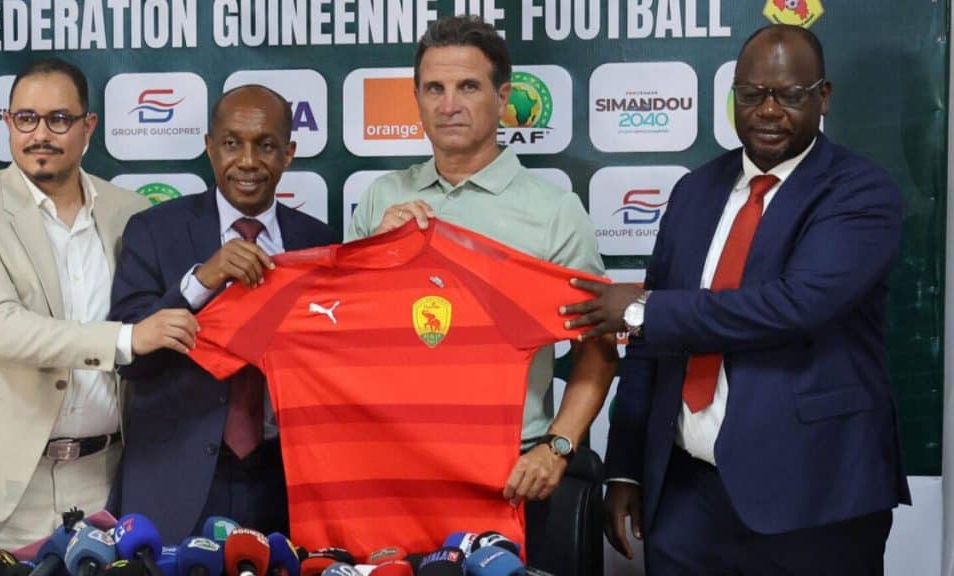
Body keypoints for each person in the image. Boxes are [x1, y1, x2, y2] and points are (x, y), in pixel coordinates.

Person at [562, 24, 911, 574]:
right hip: (685, 497)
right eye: (751, 94)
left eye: (788, 94)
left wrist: (645, 309)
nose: (768, 111)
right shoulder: (694, 191)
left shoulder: (859, 190)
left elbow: (795, 305)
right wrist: (626, 466)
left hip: (815, 497)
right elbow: (650, 346)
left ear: (822, 96)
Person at [346, 15, 617, 566]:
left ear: (503, 97)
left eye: (468, 86)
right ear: (417, 100)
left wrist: (558, 447)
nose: (449, 105)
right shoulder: (381, 199)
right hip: (393, 473)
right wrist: (375, 254)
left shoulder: (552, 212)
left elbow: (598, 347)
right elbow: (343, 335)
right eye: (434, 89)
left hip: (510, 473)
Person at [0, 58, 197, 550]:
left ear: (87, 126)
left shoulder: (131, 213)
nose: (40, 135)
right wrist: (127, 339)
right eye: (25, 119)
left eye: (58, 119)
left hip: (108, 478)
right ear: (7, 123)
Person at [108, 85, 337, 542]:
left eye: (265, 145)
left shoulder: (320, 242)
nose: (248, 161)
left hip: (285, 481)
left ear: (288, 154)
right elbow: (128, 358)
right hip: (175, 482)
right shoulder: (154, 231)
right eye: (232, 143)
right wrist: (200, 281)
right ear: (210, 147)